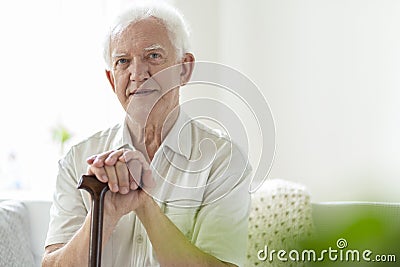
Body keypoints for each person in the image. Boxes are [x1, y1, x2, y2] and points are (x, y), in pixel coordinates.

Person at [42, 2, 251, 267]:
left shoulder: (224, 161)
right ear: (111, 79)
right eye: (123, 61)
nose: (137, 74)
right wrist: (104, 214)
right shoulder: (77, 160)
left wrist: (144, 204)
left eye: (153, 56)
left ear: (184, 68)